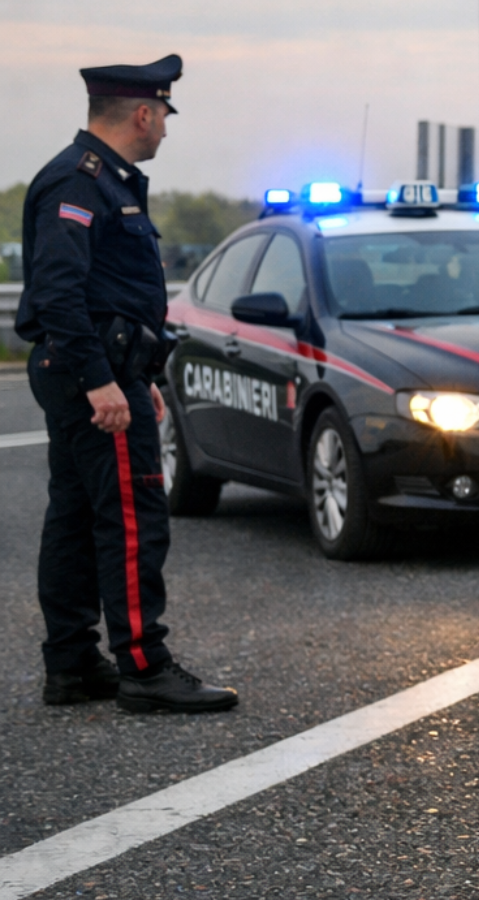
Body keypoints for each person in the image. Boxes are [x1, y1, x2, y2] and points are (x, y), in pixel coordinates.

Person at [15, 54, 237, 713]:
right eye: (164, 115)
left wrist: (141, 376)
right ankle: (144, 667)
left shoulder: (104, 179)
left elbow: (115, 292)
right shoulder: (81, 182)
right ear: (142, 113)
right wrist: (102, 383)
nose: (166, 128)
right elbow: (59, 295)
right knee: (133, 520)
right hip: (94, 375)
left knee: (77, 518)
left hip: (109, 371)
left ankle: (75, 664)